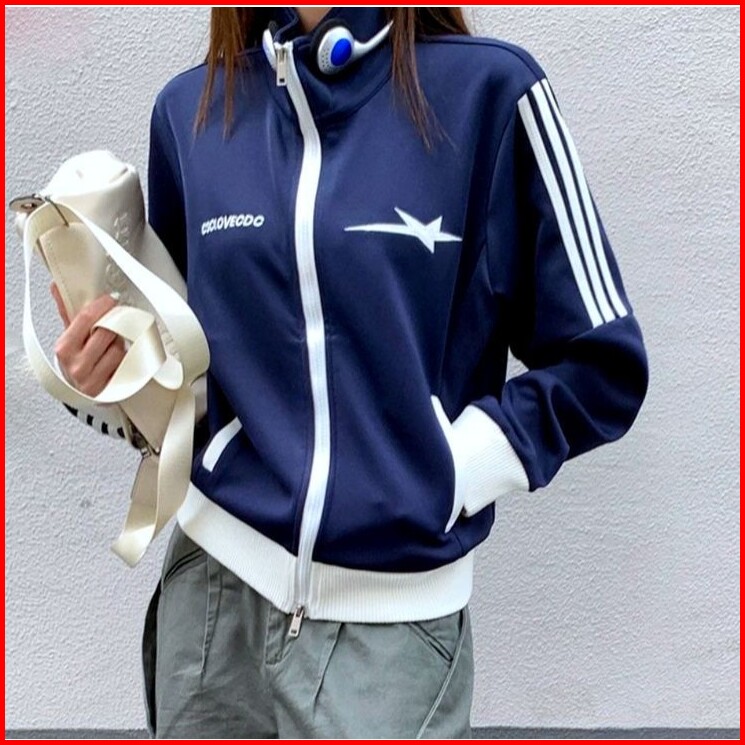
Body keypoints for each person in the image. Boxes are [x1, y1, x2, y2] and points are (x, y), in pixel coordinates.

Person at [50, 6, 649, 739]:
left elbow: (602, 364)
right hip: (211, 608)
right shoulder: (192, 110)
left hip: (388, 632)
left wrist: (449, 470)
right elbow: (190, 380)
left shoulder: (491, 93)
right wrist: (107, 381)